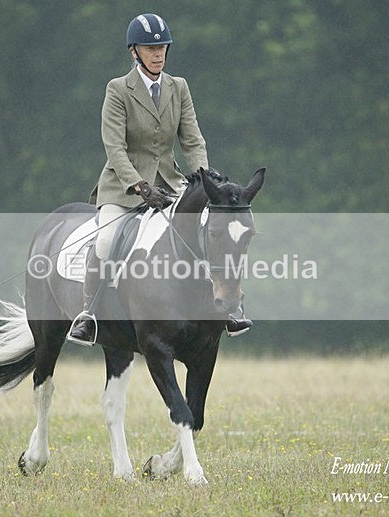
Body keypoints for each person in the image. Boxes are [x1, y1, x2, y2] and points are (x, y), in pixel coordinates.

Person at [67, 13, 251, 345]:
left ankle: (226, 310)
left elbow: (192, 140)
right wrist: (138, 184)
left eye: (162, 47)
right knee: (107, 242)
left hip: (170, 182)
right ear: (134, 52)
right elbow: (114, 146)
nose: (158, 54)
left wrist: (203, 181)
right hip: (123, 188)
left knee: (210, 229)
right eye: (150, 48)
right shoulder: (118, 89)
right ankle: (89, 315)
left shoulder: (178, 87)